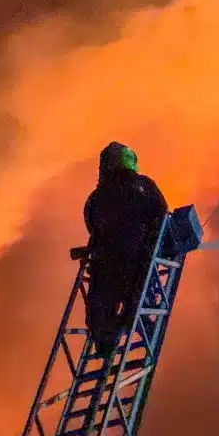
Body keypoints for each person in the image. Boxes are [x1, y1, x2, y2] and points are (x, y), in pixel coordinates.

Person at [83, 142, 169, 358]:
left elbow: (91, 223)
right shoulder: (145, 186)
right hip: (138, 260)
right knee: (139, 298)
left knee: (100, 305)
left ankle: (105, 343)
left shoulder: (96, 197)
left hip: (105, 264)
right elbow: (161, 215)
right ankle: (137, 324)